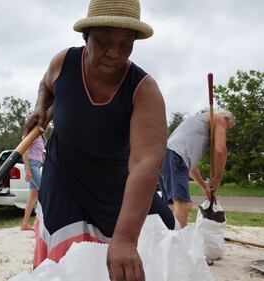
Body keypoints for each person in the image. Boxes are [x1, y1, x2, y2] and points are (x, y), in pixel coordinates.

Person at [23, 0, 176, 280]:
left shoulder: (144, 89)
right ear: (86, 36)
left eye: (125, 46)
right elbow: (46, 85)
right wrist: (39, 107)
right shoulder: (64, 62)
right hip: (64, 176)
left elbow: (145, 162)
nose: (114, 54)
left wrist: (126, 239)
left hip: (113, 184)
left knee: (162, 230)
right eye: (104, 42)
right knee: (66, 262)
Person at [159, 109, 235, 228]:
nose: (225, 131)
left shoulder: (194, 129)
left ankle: (168, 238)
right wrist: (217, 178)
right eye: (227, 128)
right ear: (226, 119)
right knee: (183, 205)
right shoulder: (218, 118)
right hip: (172, 156)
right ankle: (177, 244)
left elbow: (191, 167)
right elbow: (220, 150)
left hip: (165, 156)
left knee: (171, 206)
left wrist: (204, 187)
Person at [21, 134, 46, 231]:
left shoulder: (39, 135)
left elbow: (36, 152)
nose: (48, 124)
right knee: (44, 192)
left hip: (37, 165)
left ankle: (25, 224)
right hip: (32, 166)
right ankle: (38, 222)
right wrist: (27, 170)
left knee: (33, 196)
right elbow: (24, 152)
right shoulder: (32, 134)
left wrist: (42, 157)